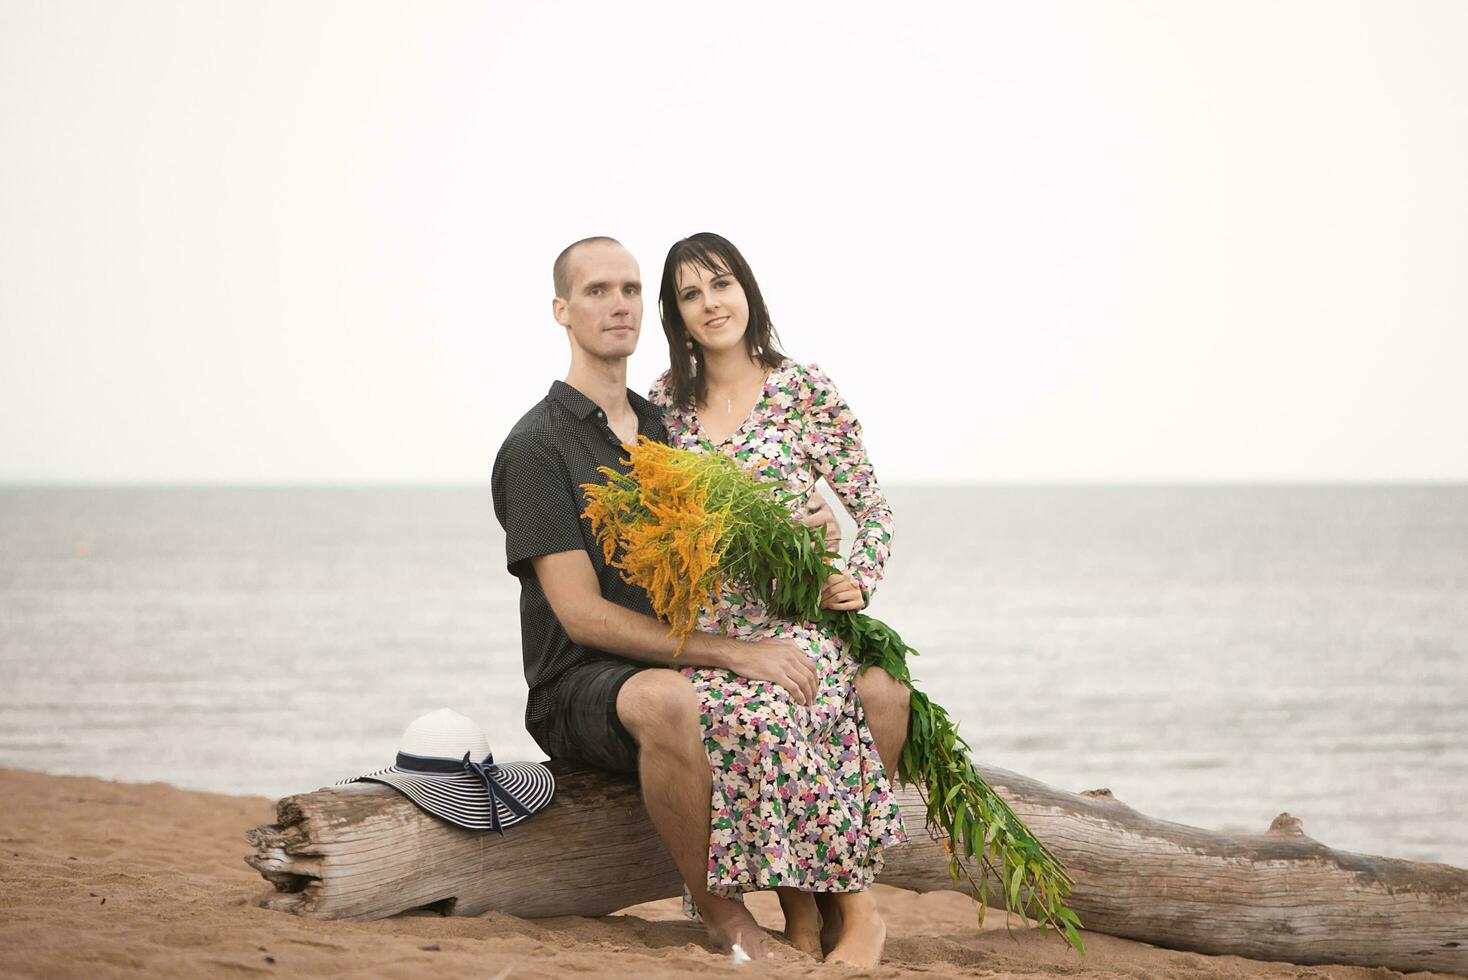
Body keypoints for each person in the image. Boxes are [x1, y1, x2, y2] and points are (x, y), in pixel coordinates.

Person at [491, 237, 911, 966]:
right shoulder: (556, 441)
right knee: (762, 699)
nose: (617, 303)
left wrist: (818, 539)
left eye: (628, 289)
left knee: (843, 687)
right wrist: (738, 653)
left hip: (731, 633)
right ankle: (807, 913)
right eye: (597, 291)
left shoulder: (655, 425)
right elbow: (581, 615)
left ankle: (822, 912)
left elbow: (762, 520)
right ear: (561, 310)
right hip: (597, 676)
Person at [647, 232, 908, 967]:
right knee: (732, 715)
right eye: (690, 294)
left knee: (792, 698)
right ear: (678, 314)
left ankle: (856, 913)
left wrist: (858, 579)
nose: (709, 304)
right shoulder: (665, 407)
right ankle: (803, 914)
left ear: (747, 290)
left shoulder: (804, 390)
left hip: (797, 623)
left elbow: (873, 510)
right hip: (711, 635)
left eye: (720, 284)